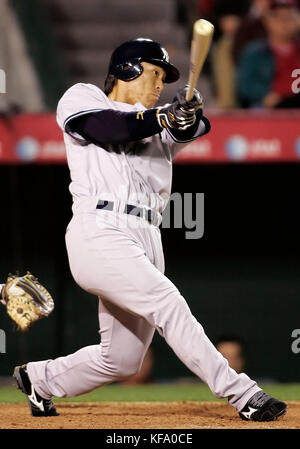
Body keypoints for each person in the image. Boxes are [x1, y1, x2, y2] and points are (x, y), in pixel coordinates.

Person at [13, 38, 286, 422]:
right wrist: (163, 116)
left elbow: (195, 128)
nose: (160, 85)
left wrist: (186, 115)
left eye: (164, 78)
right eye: (154, 73)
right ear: (127, 70)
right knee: (167, 303)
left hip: (147, 235)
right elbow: (105, 128)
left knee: (121, 360)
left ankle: (40, 379)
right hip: (100, 230)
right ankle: (242, 393)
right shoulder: (84, 97)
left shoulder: (157, 122)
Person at [237, 0, 300, 108]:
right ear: (267, 21)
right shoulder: (255, 51)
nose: (284, 23)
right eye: (277, 17)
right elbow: (244, 85)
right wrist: (267, 94)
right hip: (268, 106)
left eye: (289, 17)